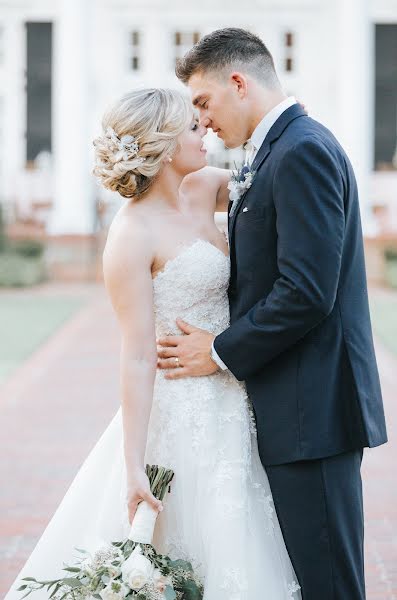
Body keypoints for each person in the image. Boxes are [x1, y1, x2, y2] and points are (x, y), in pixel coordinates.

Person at [4, 87, 301, 599]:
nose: (205, 130)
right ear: (164, 147)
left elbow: (282, 188)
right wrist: (134, 465)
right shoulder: (130, 237)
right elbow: (138, 354)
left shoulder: (209, 185)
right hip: (181, 407)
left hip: (235, 391)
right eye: (191, 127)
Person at [156, 27, 388, 600]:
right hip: (290, 407)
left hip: (314, 412)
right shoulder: (274, 153)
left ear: (239, 82)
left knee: (328, 584)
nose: (203, 121)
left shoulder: (302, 150)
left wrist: (217, 351)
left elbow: (308, 291)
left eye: (204, 103)